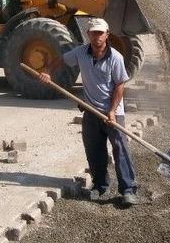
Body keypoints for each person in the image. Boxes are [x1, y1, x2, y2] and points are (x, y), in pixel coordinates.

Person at [38, 17, 138, 207]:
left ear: (107, 35)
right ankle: (100, 185)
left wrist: (112, 111)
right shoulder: (81, 52)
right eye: (93, 33)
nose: (97, 36)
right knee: (94, 149)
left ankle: (127, 189)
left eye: (100, 33)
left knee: (120, 149)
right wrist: (47, 71)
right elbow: (60, 59)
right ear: (88, 34)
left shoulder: (115, 57)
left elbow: (119, 86)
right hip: (91, 111)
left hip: (113, 112)